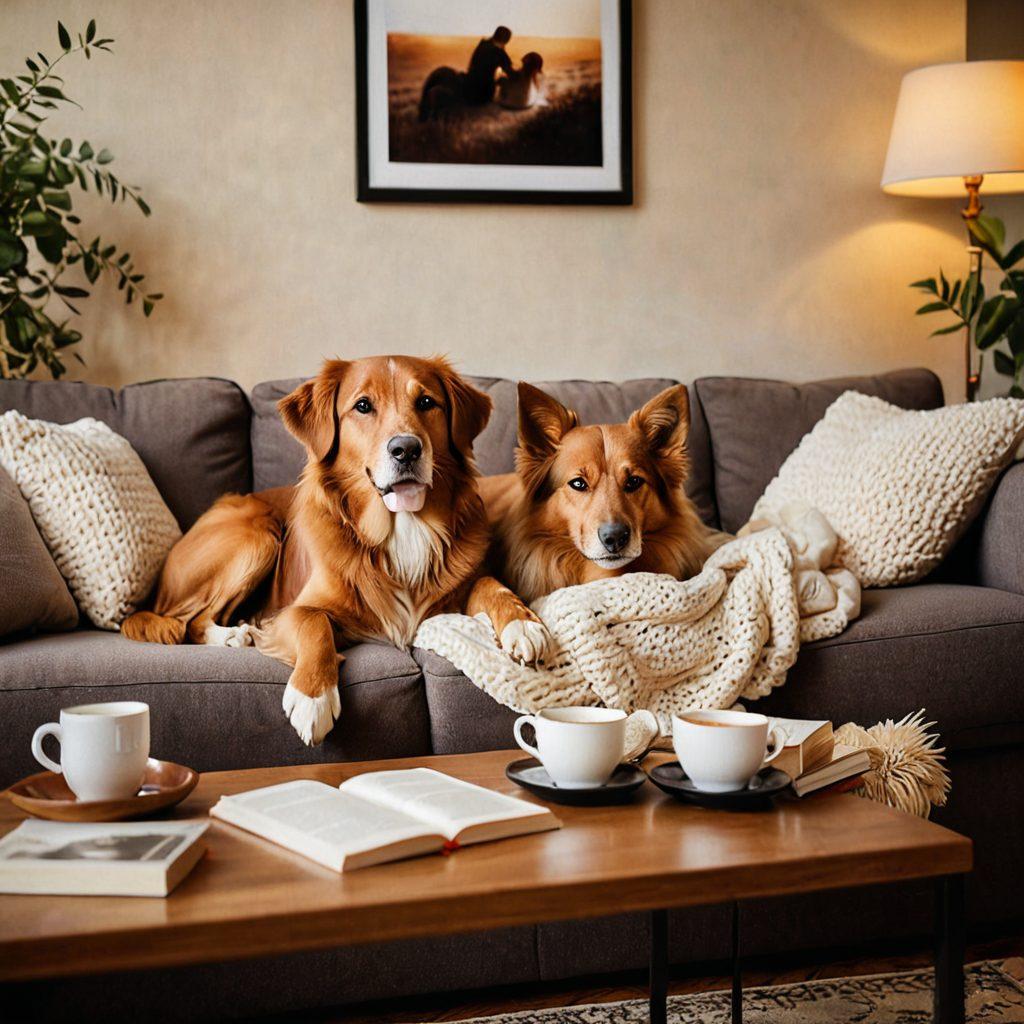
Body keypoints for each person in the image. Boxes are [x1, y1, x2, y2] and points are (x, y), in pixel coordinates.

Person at [463, 25, 513, 105]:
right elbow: (509, 70)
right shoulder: (498, 52)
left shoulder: (483, 44)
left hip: (469, 87)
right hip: (483, 95)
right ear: (506, 41)